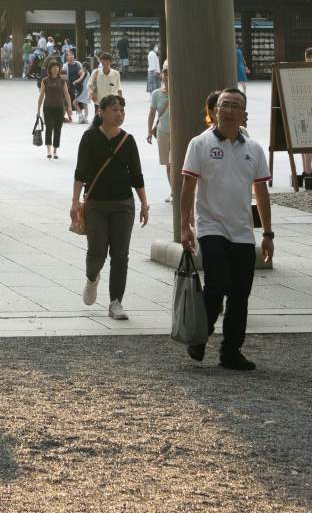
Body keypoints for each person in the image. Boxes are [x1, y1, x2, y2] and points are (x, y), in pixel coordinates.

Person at [178, 86, 273, 371]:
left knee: (240, 294)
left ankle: (231, 351)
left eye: (235, 106)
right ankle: (200, 335)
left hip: (243, 231)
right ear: (214, 111)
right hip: (211, 227)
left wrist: (267, 234)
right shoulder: (200, 144)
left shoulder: (254, 148)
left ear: (244, 113)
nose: (229, 111)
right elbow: (188, 187)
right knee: (216, 286)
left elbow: (261, 192)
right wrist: (186, 225)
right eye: (224, 105)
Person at [74, 92, 149, 319]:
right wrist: (74, 202)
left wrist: (144, 204)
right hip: (96, 204)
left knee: (120, 255)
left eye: (122, 110)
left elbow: (137, 175)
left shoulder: (128, 140)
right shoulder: (89, 138)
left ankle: (116, 302)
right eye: (114, 110)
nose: (119, 114)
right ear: (101, 112)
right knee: (96, 252)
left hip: (123, 204)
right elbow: (80, 173)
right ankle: (92, 277)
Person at [146, 68, 176, 203]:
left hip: (177, 133)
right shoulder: (156, 94)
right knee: (168, 164)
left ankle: (177, 190)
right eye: (166, 77)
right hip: (163, 132)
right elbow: (152, 113)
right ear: (163, 79)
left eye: (170, 77)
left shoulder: (179, 92)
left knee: (175, 163)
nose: (167, 80)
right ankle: (173, 192)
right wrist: (149, 131)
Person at [36, 59, 69, 158]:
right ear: (49, 69)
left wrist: (70, 107)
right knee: (49, 128)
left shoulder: (62, 81)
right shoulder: (45, 81)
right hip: (48, 108)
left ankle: (55, 151)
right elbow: (41, 95)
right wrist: (38, 109)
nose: (56, 69)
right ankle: (49, 151)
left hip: (60, 108)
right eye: (54, 68)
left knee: (58, 129)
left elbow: (66, 95)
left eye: (57, 68)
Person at [65, 49, 88, 123]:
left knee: (77, 102)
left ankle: (81, 116)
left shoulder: (77, 64)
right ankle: (71, 117)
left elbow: (82, 74)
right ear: (66, 57)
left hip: (77, 87)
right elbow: (64, 76)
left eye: (72, 55)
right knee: (70, 101)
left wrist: (77, 81)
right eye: (69, 55)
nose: (71, 56)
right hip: (69, 87)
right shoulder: (65, 66)